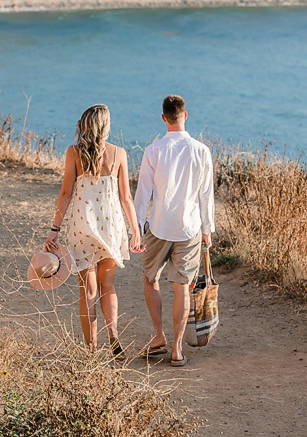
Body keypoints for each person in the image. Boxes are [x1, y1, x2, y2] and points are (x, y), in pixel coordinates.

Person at [46, 104, 144, 356]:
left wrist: (54, 230)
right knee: (107, 286)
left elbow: (65, 193)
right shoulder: (119, 153)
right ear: (105, 126)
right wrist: (135, 230)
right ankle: (113, 335)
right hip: (110, 225)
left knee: (87, 290)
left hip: (82, 225)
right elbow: (126, 198)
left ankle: (91, 351)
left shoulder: (73, 153)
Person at [134, 95, 215, 367]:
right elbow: (207, 195)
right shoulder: (202, 150)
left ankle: (159, 335)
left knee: (150, 279)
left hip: (158, 225)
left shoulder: (153, 150)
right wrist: (207, 229)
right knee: (181, 286)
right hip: (189, 227)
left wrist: (135, 228)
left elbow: (142, 194)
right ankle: (177, 348)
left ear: (163, 118)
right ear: (185, 115)